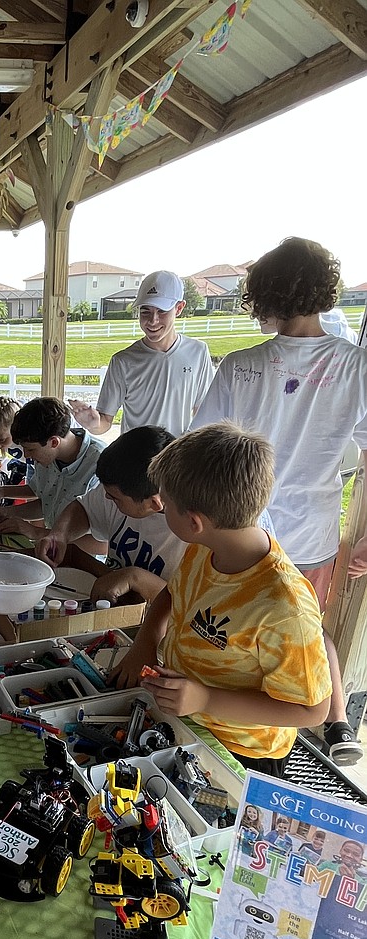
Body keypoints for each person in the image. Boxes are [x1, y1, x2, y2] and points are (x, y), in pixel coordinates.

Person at [192, 237, 367, 765]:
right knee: (306, 631)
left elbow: (201, 449)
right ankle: (327, 723)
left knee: (234, 634)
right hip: (313, 533)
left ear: (265, 294)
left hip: (238, 530)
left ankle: (240, 731)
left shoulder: (240, 366)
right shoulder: (356, 366)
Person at [113, 423, 332, 779]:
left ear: (194, 521)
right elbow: (173, 593)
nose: (160, 509)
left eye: (165, 505)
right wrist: (146, 641)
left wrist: (206, 698)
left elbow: (313, 710)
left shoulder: (284, 607)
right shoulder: (204, 548)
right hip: (187, 720)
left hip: (243, 753)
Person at [36, 426, 184, 604]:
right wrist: (59, 535)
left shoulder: (191, 536)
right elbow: (83, 509)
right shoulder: (123, 486)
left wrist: (133, 577)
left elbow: (183, 603)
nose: (107, 498)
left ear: (154, 503)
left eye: (114, 498)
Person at [70, 271, 214, 438]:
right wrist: (93, 425)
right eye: (146, 312)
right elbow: (105, 421)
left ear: (179, 308)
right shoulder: (122, 361)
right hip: (135, 452)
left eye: (162, 311)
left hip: (177, 453)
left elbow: (203, 415)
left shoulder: (198, 352)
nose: (153, 320)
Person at [0, 398, 105, 542]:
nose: (26, 456)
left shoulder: (99, 465)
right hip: (55, 549)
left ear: (54, 442)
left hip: (81, 555)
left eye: (30, 449)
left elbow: (101, 544)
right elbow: (47, 504)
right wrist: (5, 512)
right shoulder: (47, 457)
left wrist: (35, 532)